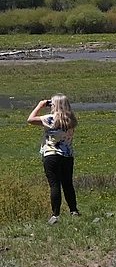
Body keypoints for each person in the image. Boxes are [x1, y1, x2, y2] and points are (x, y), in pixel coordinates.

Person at [28, 93, 78, 224]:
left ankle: (56, 214)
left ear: (55, 105)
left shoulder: (50, 118)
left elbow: (30, 119)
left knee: (54, 185)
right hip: (67, 155)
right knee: (68, 184)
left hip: (51, 154)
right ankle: (74, 210)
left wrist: (40, 105)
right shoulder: (71, 120)